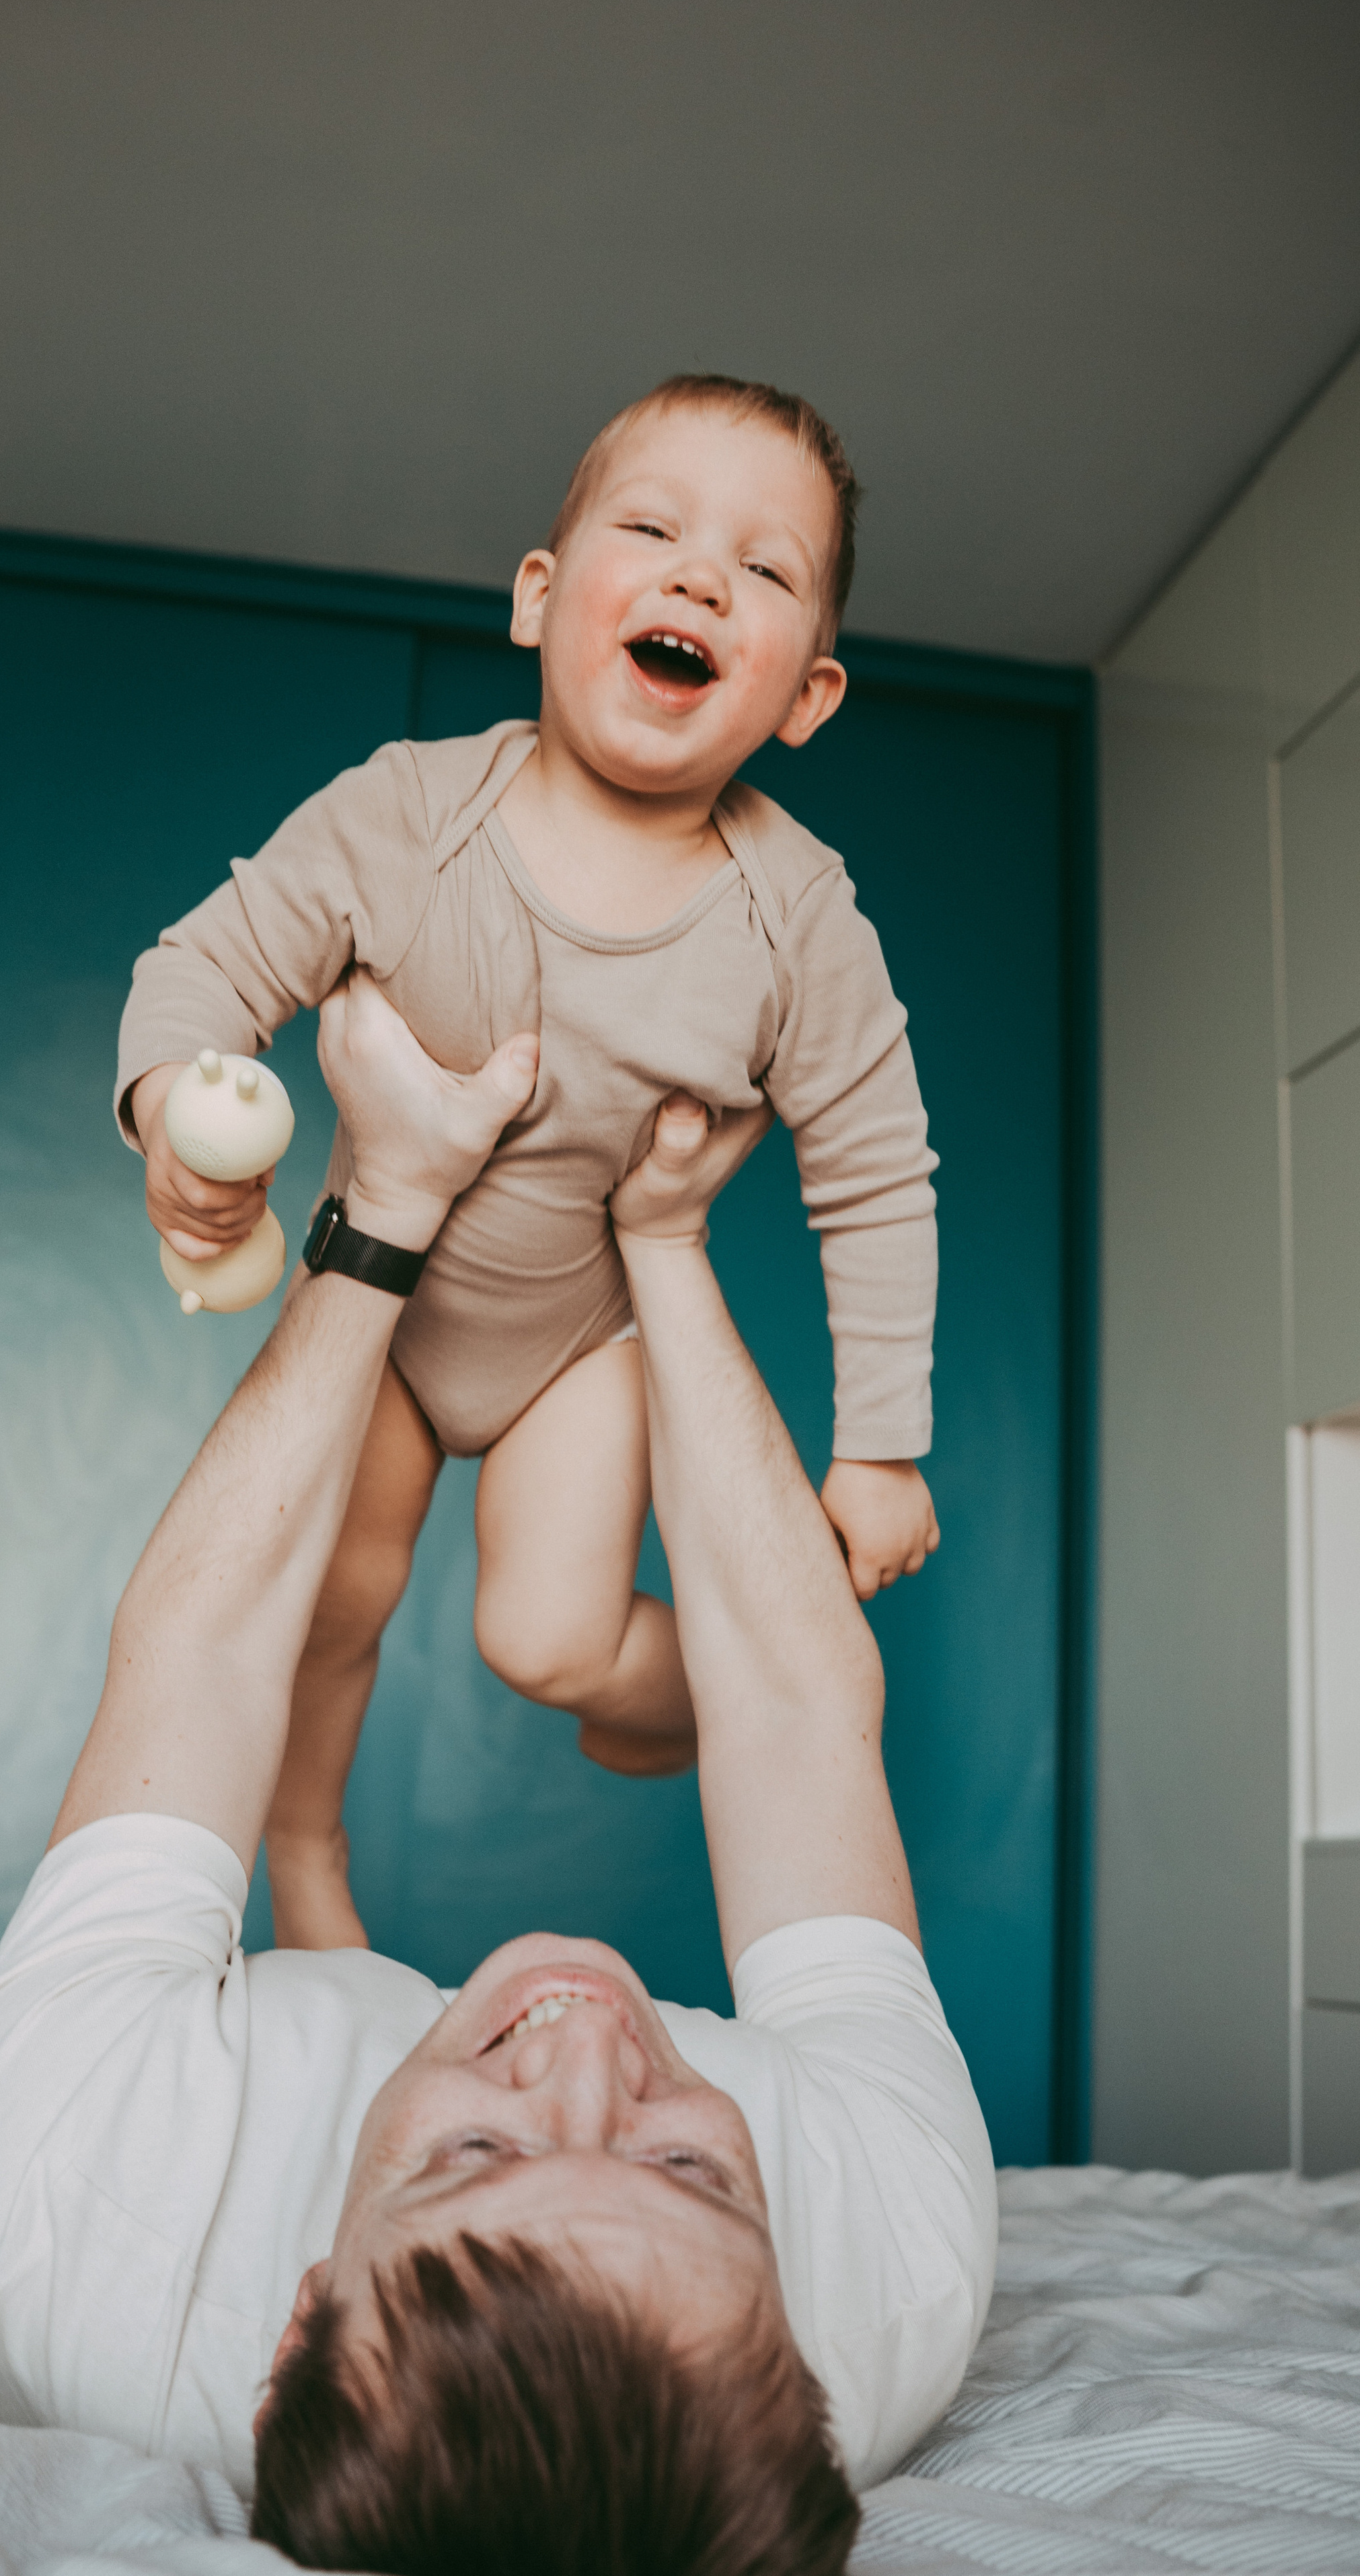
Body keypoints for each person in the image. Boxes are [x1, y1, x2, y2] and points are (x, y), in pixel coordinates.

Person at [0, 973, 995, 2573]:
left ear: (296, 2322)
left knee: (330, 1614)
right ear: (801, 2328)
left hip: (206, 2080)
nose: (586, 2051)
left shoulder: (75, 2209)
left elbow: (205, 1643)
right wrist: (663, 1241)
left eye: (476, 2155)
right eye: (690, 2170)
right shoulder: (892, 2267)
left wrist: (389, 1202)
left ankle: (330, 1882)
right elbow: (792, 1710)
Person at [116, 373, 942, 1949]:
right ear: (540, 600)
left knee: (547, 1639)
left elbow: (873, 1167)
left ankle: (695, 1690)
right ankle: (307, 1860)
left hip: (580, 1343)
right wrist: (174, 1119)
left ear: (801, 699)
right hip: (386, 1324)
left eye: (764, 571)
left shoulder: (798, 915)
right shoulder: (404, 816)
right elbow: (202, 969)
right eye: (652, 530)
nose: (702, 574)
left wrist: (880, 1441)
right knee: (330, 1605)